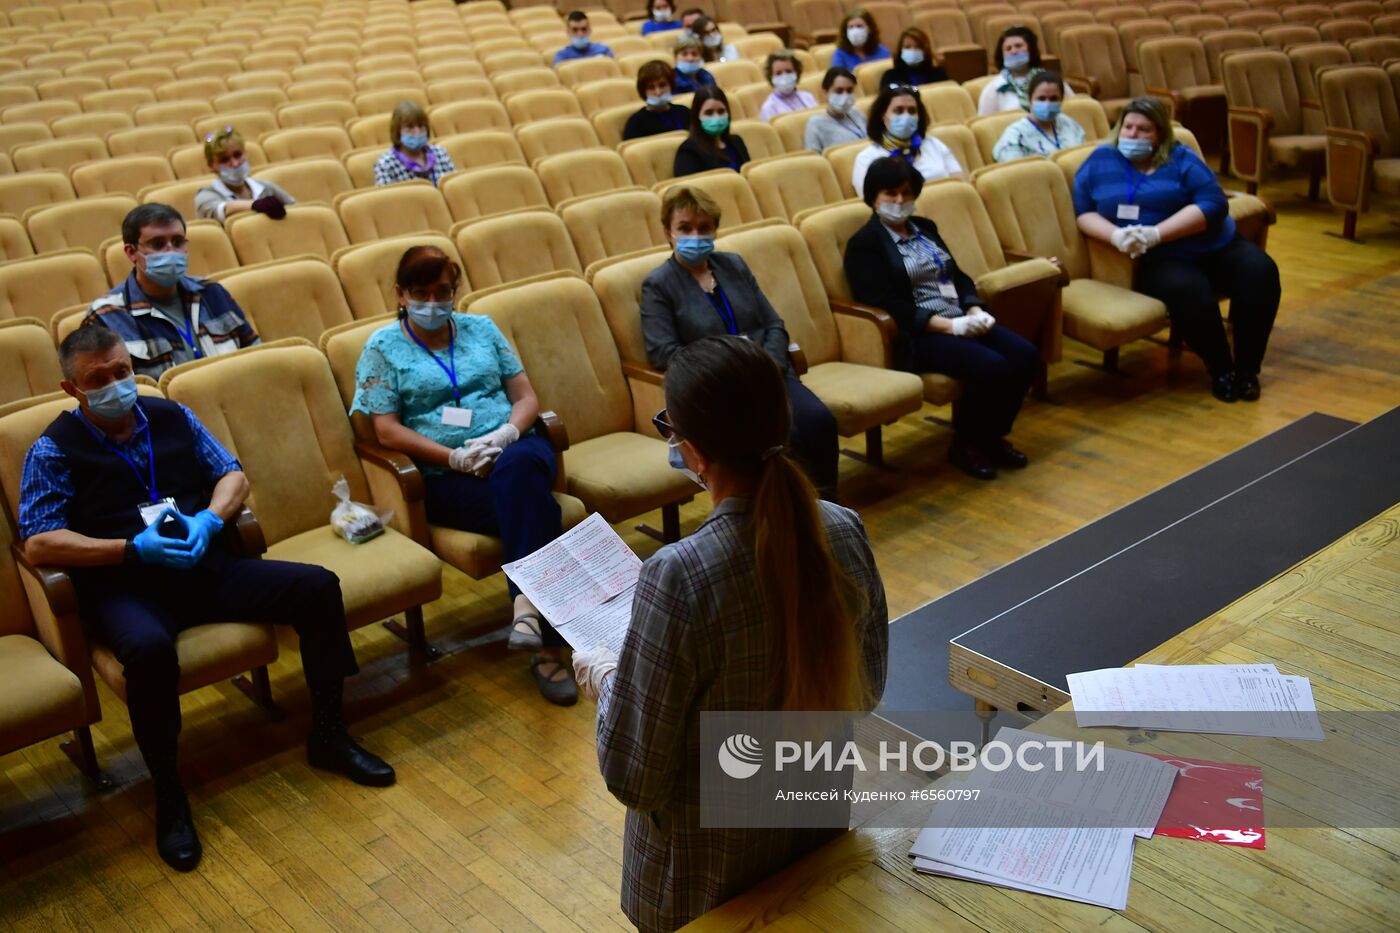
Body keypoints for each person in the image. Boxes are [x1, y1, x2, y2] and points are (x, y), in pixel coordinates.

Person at [18, 326, 394, 872]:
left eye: (122, 371)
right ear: (72, 389)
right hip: (129, 588)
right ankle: (169, 795)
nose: (115, 385)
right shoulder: (53, 449)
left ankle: (329, 733)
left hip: (204, 568)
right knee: (147, 652)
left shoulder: (169, 415)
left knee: (316, 586)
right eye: (97, 379)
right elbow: (39, 539)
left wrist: (209, 520)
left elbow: (231, 473)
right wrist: (130, 549)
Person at [573, 334, 888, 933]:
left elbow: (634, 776)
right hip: (811, 835)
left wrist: (610, 676)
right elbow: (865, 691)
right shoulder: (843, 529)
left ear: (691, 452)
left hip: (706, 872)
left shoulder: (679, 575)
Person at [350, 246, 577, 705]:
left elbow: (526, 397)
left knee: (518, 472)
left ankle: (533, 619)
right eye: (420, 292)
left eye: (442, 292)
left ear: (456, 291)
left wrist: (508, 434)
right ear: (400, 293)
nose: (432, 302)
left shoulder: (482, 328)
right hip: (444, 474)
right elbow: (386, 429)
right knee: (537, 507)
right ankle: (543, 630)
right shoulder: (381, 349)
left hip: (516, 450)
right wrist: (452, 457)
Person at [1073, 98, 1280, 402]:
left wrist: (1158, 233)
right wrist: (1117, 237)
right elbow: (1084, 210)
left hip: (1213, 245)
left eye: (1143, 130)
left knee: (1261, 272)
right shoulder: (1100, 160)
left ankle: (1248, 370)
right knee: (1189, 292)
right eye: (1127, 127)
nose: (1133, 135)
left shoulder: (1181, 158)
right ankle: (1222, 369)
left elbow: (1214, 204)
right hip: (1159, 259)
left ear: (1159, 135)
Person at [844, 158, 1039, 479]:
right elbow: (886, 303)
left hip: (961, 318)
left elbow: (957, 275)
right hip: (919, 334)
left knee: (1025, 355)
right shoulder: (864, 244)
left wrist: (975, 309)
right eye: (890, 193)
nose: (899, 201)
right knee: (992, 367)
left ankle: (992, 436)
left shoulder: (926, 228)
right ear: (872, 197)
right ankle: (966, 445)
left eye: (906, 193)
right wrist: (949, 326)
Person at [640, 186, 839, 498]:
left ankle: (825, 510)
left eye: (704, 228)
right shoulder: (659, 284)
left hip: (767, 374)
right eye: (685, 228)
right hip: (719, 388)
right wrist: (731, 369)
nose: (696, 235)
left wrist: (766, 366)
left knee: (819, 422)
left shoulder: (733, 265)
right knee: (786, 436)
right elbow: (663, 352)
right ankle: (783, 513)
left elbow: (773, 323)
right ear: (668, 232)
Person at [83, 204, 259, 381]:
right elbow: (109, 393)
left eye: (178, 242)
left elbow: (256, 356)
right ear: (131, 252)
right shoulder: (105, 317)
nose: (171, 251)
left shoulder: (212, 293)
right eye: (157, 244)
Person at [851, 84, 962, 195]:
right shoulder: (867, 159)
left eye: (912, 111)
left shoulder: (934, 144)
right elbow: (871, 203)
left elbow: (961, 185)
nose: (906, 116)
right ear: (883, 115)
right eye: (898, 111)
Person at [193, 125, 294, 224]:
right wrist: (256, 204)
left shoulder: (266, 187)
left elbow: (294, 210)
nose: (235, 163)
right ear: (211, 165)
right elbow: (224, 209)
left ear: (245, 153)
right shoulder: (205, 195)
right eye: (224, 160)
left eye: (237, 155)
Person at [978, 25, 1073, 115]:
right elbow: (985, 124)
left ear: (1030, 50)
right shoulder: (994, 88)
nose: (1014, 51)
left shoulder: (1052, 80)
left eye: (1018, 46)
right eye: (1008, 49)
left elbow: (1073, 108)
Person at [992, 71, 1085, 161]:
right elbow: (1016, 171)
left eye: (1054, 99)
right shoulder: (1015, 135)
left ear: (1061, 100)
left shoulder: (1070, 124)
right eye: (1041, 98)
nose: (1047, 103)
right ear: (1029, 100)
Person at [372, 99, 457, 187]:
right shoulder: (386, 165)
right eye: (409, 127)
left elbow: (454, 187)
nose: (417, 132)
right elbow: (388, 199)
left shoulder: (440, 153)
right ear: (398, 131)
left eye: (421, 126)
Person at [674, 85, 749, 176]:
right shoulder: (688, 151)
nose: (716, 117)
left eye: (721, 111)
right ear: (697, 116)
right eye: (709, 113)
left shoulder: (736, 142)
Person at [804, 66, 868, 152]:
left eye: (849, 90)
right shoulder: (816, 124)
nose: (845, 96)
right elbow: (814, 158)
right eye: (839, 91)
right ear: (825, 92)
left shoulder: (857, 113)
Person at [624, 60, 691, 139]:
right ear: (643, 91)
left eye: (662, 85)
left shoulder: (684, 112)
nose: (658, 92)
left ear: (671, 85)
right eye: (651, 87)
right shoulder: (636, 123)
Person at [758, 49, 817, 122]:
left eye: (789, 71)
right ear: (771, 77)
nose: (784, 77)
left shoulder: (808, 97)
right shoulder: (769, 108)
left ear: (797, 73)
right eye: (778, 73)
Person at [878, 28, 948, 88]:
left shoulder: (938, 74)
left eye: (918, 47)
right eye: (908, 47)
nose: (913, 50)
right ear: (900, 50)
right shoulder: (890, 77)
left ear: (925, 50)